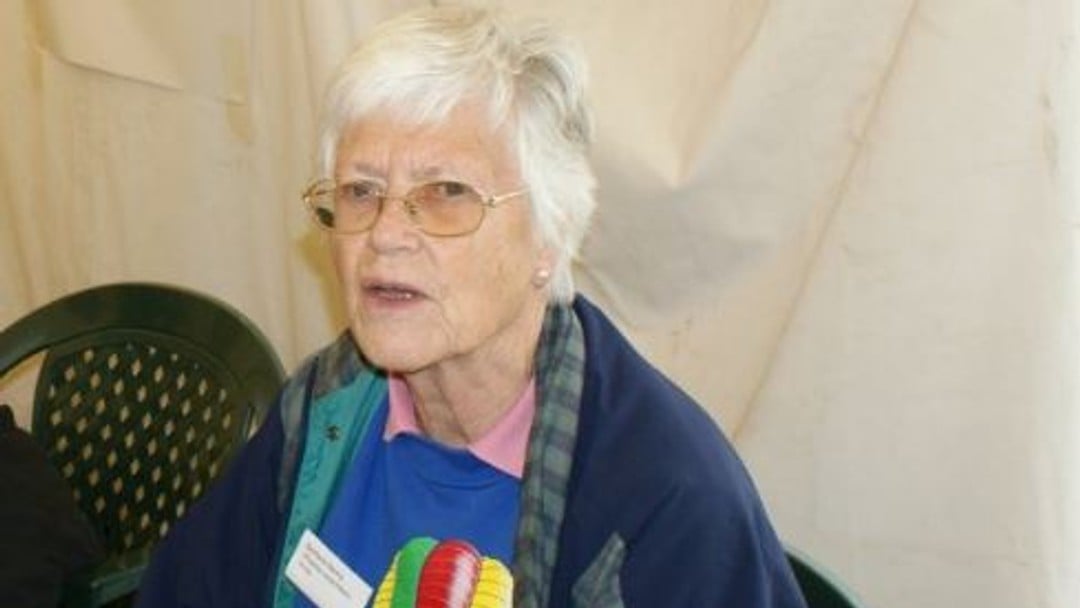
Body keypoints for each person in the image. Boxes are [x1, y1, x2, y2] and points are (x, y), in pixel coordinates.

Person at [137, 5, 806, 607]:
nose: (385, 234)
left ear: (549, 235)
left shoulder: (665, 499)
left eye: (447, 192)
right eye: (361, 191)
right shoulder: (325, 406)